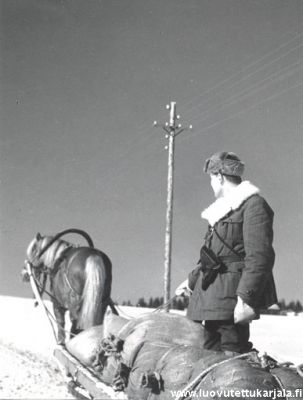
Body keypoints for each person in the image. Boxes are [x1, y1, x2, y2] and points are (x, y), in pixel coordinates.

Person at [175, 151, 277, 354]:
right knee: (210, 358)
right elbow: (213, 258)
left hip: (232, 299)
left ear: (219, 177)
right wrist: (190, 281)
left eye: (211, 179)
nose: (211, 184)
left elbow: (259, 257)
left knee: (233, 358)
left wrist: (245, 298)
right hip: (212, 299)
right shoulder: (219, 212)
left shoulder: (253, 206)